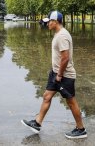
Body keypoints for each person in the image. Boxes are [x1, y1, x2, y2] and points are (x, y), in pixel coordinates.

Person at [21, 11, 87, 139]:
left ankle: (81, 129)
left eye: (49, 21)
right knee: (47, 96)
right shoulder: (58, 34)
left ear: (55, 22)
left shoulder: (62, 36)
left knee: (71, 102)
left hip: (64, 75)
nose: (47, 24)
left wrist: (59, 75)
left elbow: (65, 58)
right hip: (55, 73)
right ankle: (37, 123)